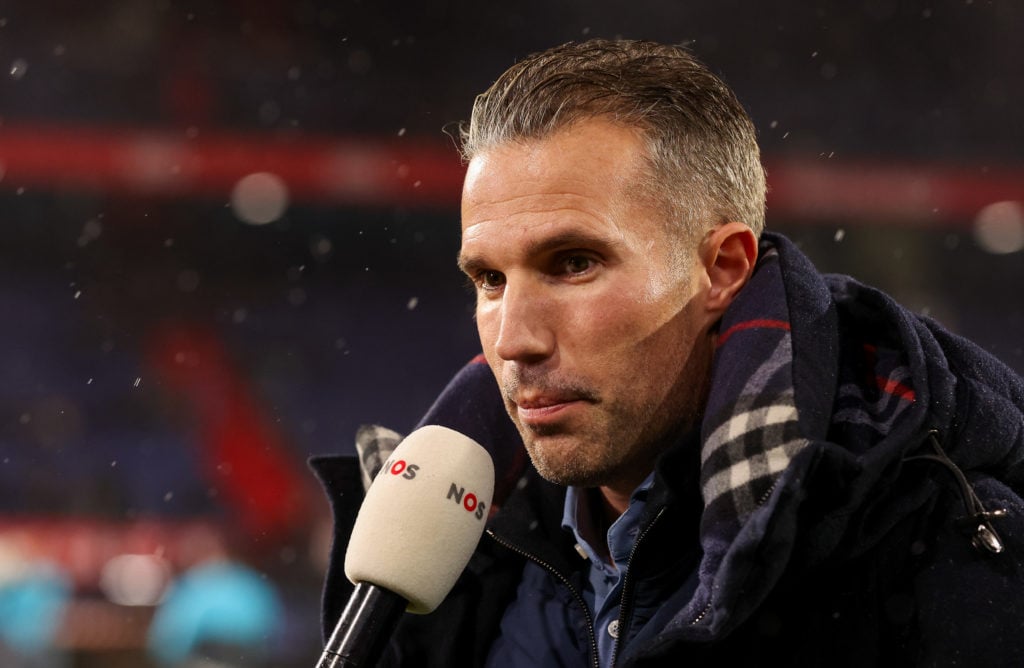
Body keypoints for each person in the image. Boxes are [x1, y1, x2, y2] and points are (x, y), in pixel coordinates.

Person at [311, 39, 1024, 666]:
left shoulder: (950, 553)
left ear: (721, 268)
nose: (513, 339)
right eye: (490, 279)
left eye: (573, 263)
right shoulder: (464, 566)